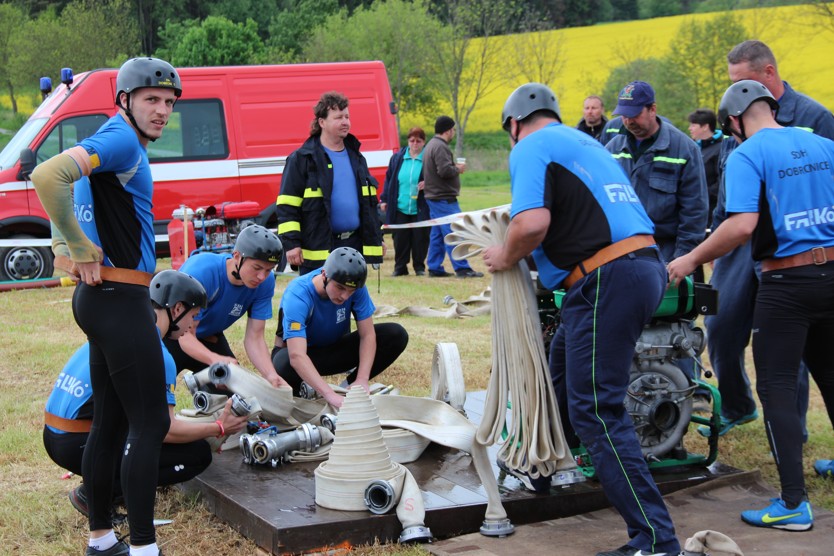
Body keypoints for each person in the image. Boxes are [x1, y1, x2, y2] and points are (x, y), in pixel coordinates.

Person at [483, 83, 680, 556]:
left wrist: (504, 254)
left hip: (603, 278)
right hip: (639, 266)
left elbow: (530, 223)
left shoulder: (530, 146)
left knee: (598, 409)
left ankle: (655, 539)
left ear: (514, 125)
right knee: (562, 365)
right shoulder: (585, 142)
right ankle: (545, 468)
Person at [30, 57, 182, 556]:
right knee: (151, 423)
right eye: (152, 100)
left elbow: (67, 181)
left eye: (169, 102)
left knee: (114, 422)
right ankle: (143, 547)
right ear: (125, 101)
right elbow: (47, 174)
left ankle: (101, 539)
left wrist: (61, 241)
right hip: (118, 297)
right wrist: (74, 245)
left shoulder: (114, 138)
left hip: (105, 297)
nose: (162, 111)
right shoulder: (120, 138)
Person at [667, 79, 834, 532]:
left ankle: (793, 505)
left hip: (786, 282)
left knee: (777, 388)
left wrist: (691, 258)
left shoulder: (745, 154)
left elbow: (741, 225)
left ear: (734, 122)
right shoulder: (822, 143)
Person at [702, 40, 834, 439]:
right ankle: (738, 406)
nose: (734, 92)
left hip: (793, 247)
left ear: (768, 75)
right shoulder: (737, 124)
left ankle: (791, 430)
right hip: (740, 239)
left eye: (741, 81)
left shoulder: (815, 119)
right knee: (721, 326)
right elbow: (731, 186)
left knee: (786, 341)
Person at [43, 271, 249, 521]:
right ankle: (96, 494)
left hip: (55, 437)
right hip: (78, 444)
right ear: (177, 309)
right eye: (194, 317)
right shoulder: (156, 353)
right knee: (196, 455)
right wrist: (218, 427)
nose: (193, 326)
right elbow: (166, 430)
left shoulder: (115, 329)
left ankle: (99, 486)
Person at [271, 247, 408, 408]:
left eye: (351, 291)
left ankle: (348, 387)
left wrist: (362, 379)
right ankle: (305, 392)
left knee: (395, 334)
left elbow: (368, 336)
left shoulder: (357, 288)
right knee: (283, 361)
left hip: (333, 350)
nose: (344, 296)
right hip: (303, 356)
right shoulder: (298, 294)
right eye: (340, 288)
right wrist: (329, 395)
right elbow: (296, 356)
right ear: (324, 275)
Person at [164, 225, 290, 389]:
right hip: (172, 335)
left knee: (239, 400)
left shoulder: (266, 283)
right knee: (155, 398)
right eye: (257, 268)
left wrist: (271, 374)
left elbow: (255, 338)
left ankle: (202, 386)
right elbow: (185, 336)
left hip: (209, 337)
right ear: (237, 256)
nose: (262, 276)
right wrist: (214, 359)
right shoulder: (203, 271)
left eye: (268, 270)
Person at [276, 91, 384, 276]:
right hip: (318, 249)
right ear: (322, 122)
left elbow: (369, 204)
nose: (345, 122)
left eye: (347, 116)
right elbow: (287, 205)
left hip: (353, 245)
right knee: (319, 300)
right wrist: (292, 244)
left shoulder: (357, 157)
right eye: (338, 117)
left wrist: (376, 237)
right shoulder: (302, 159)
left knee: (350, 299)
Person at [605, 80, 708, 265]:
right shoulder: (612, 149)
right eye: (623, 115)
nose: (628, 121)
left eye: (634, 114)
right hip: (618, 254)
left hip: (665, 255)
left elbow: (694, 211)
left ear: (652, 109)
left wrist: (682, 258)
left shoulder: (684, 150)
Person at [422, 115, 484, 278]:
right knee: (455, 232)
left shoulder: (430, 145)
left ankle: (434, 267)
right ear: (448, 130)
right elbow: (444, 170)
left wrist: (452, 167)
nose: (454, 132)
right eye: (453, 130)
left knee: (437, 235)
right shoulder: (441, 147)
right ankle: (462, 268)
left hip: (434, 197)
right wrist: (457, 169)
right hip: (443, 198)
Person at [379, 126, 430, 276]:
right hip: (400, 206)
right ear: (408, 141)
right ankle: (400, 267)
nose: (415, 144)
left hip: (420, 206)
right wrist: (384, 199)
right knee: (400, 239)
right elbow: (389, 179)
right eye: (412, 140)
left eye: (418, 141)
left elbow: (436, 176)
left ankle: (419, 267)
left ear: (423, 142)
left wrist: (428, 182)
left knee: (420, 238)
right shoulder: (397, 158)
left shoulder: (428, 158)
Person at [686, 109, 723, 229]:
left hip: (711, 215)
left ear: (705, 127)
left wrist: (699, 194)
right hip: (691, 212)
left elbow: (721, 183)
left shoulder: (720, 149)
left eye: (693, 125)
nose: (689, 128)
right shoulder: (689, 148)